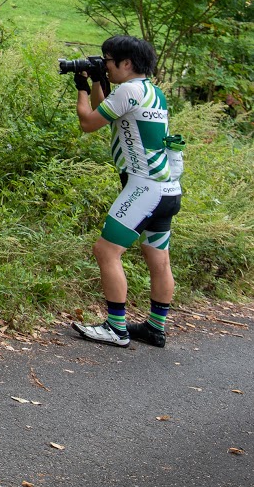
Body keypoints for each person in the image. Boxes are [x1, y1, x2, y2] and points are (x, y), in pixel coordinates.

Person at [71, 34, 182, 349]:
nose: (105, 64)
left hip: (144, 188)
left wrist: (80, 86)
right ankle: (155, 328)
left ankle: (116, 327)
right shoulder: (152, 92)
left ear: (126, 63)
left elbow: (88, 122)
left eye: (108, 60)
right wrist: (96, 81)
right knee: (157, 257)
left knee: (106, 251)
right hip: (168, 189)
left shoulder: (128, 90)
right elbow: (105, 111)